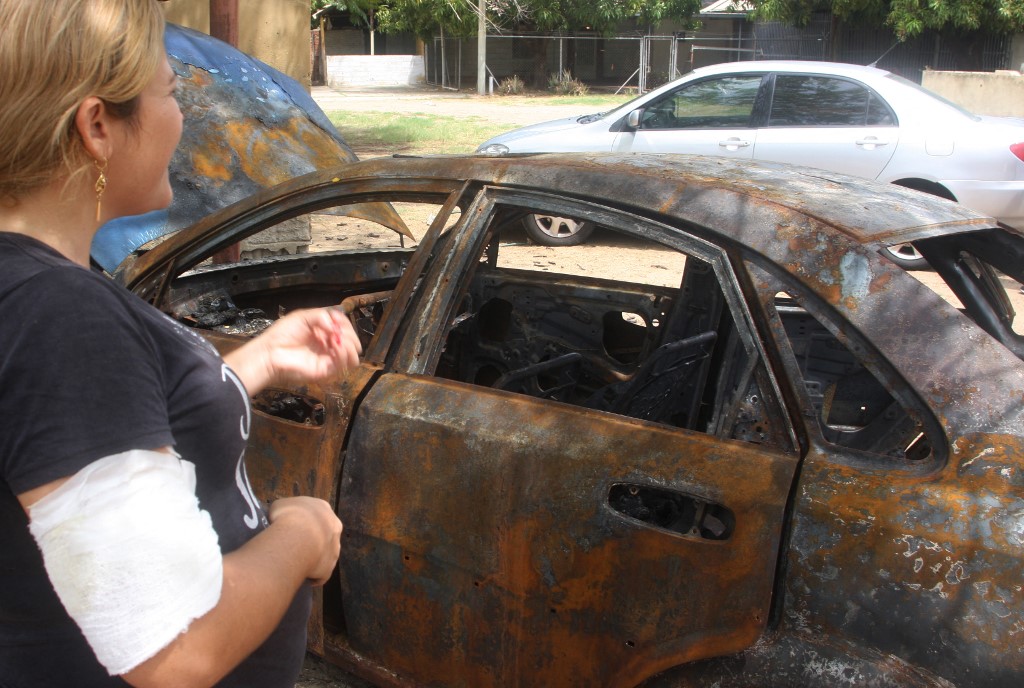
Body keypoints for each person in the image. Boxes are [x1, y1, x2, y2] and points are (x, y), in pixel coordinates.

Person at [0, 1, 363, 686]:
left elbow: (83, 423)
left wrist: (256, 361)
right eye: (171, 93)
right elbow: (173, 651)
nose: (184, 118)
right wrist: (302, 534)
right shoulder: (59, 315)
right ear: (97, 125)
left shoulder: (38, 287)